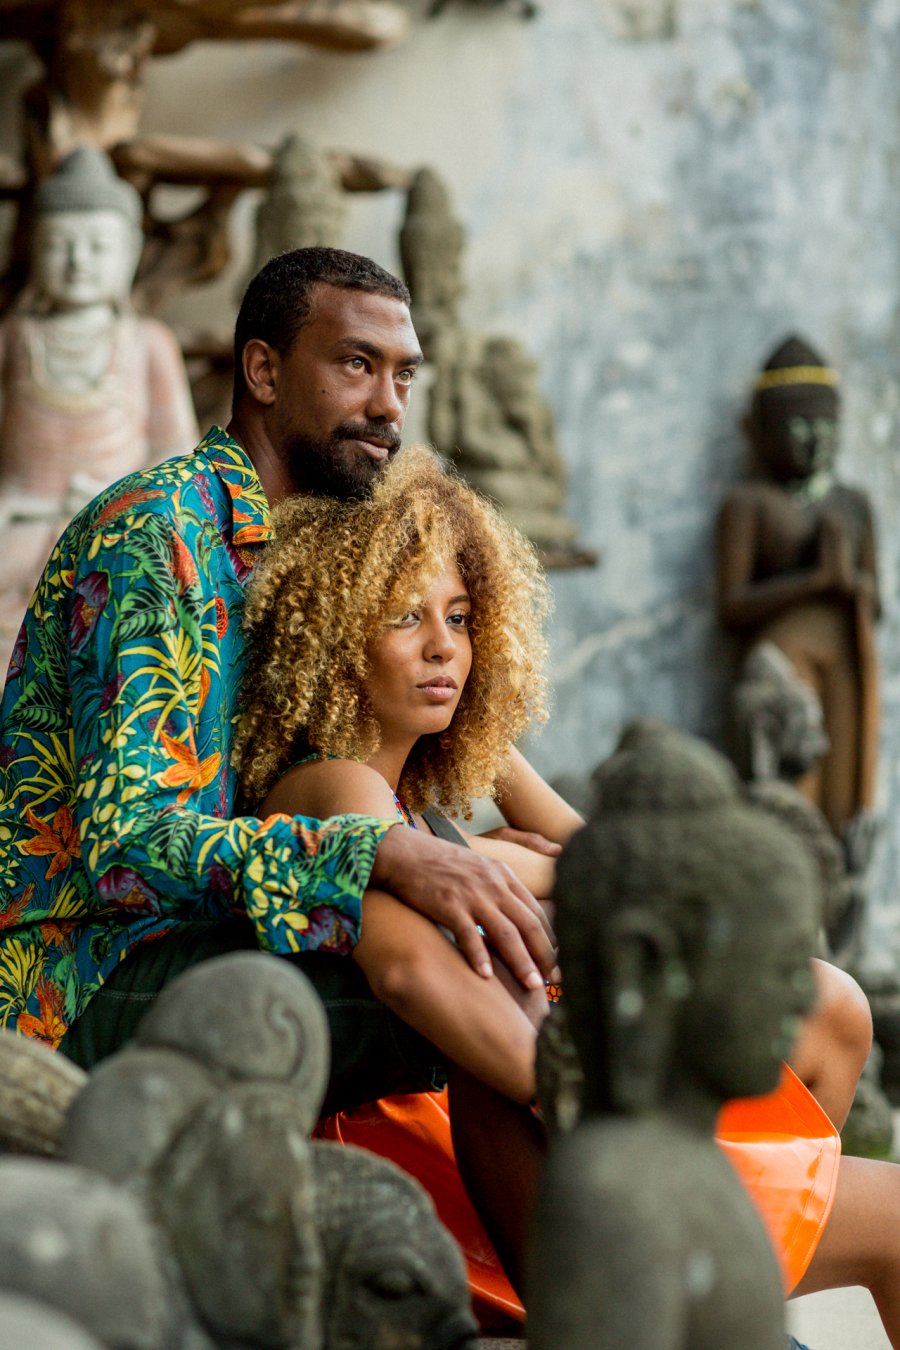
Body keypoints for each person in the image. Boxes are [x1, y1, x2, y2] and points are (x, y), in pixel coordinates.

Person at [233, 441, 900, 1338]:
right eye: (405, 618)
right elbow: (413, 966)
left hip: (514, 1095)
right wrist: (520, 867)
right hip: (449, 1139)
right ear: (333, 641)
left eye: (461, 617)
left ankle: (740, 1276)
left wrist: (514, 829)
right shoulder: (335, 780)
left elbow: (613, 862)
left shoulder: (422, 765)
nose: (444, 647)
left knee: (835, 1008)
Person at [0, 246, 556, 1066]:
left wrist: (483, 857)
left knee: (502, 938)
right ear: (263, 371)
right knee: (452, 960)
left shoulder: (319, 553)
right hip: (83, 974)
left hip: (219, 940)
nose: (388, 406)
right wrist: (386, 853)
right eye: (357, 365)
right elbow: (129, 850)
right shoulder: (158, 531)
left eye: (404, 375)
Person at [0, 146, 198, 668]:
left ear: (129, 253)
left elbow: (177, 455)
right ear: (32, 249)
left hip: (116, 522)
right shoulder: (13, 336)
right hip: (20, 520)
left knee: (147, 590)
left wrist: (126, 501)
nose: (78, 261)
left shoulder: (147, 342)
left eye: (97, 246)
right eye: (58, 244)